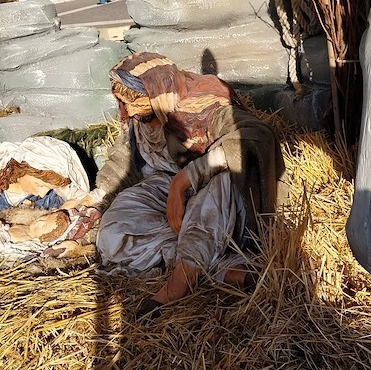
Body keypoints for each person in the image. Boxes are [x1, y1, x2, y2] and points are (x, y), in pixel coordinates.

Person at [96, 52, 288, 319]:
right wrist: (99, 198)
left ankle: (180, 281)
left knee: (208, 202)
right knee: (112, 232)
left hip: (217, 190)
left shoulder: (205, 103)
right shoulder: (141, 118)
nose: (127, 110)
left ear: (157, 92)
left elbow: (255, 137)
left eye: (132, 101)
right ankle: (214, 269)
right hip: (165, 189)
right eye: (123, 102)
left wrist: (186, 178)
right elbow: (123, 161)